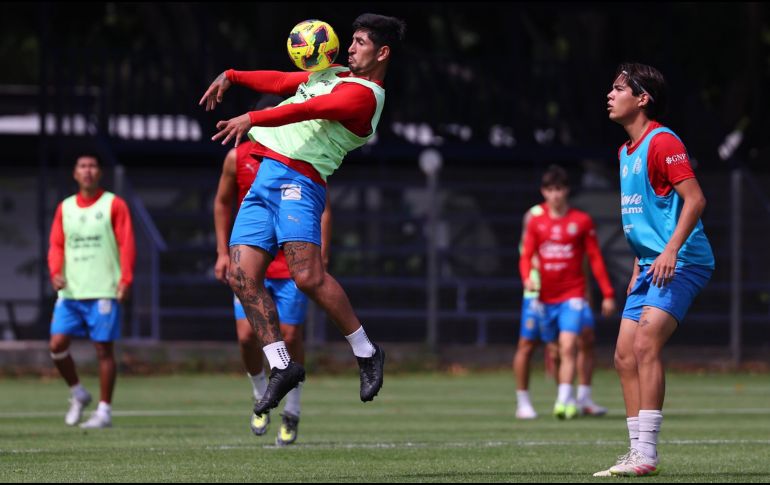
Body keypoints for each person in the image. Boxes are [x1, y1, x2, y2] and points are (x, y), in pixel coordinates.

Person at [199, 14, 407, 415]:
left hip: (300, 181)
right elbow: (280, 83)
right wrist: (232, 75)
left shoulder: (365, 96)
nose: (350, 47)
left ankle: (366, 352)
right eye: (351, 40)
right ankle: (281, 365)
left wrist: (252, 117)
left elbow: (307, 111)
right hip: (265, 179)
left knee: (307, 276)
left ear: (382, 52)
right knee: (240, 275)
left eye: (360, 42)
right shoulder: (336, 73)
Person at [595, 63, 714, 477]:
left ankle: (647, 453)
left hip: (684, 260)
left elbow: (695, 200)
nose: (610, 95)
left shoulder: (662, 142)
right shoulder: (626, 151)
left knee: (646, 343)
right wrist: (638, 263)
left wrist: (669, 251)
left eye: (619, 88)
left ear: (642, 98)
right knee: (624, 355)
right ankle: (636, 452)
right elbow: (650, 214)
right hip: (649, 264)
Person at [214, 104, 332, 445]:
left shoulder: (301, 153)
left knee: (291, 335)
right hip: (252, 261)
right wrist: (223, 252)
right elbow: (222, 202)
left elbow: (322, 208)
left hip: (289, 263)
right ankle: (260, 395)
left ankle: (292, 411)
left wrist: (320, 255)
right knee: (247, 337)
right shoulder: (238, 157)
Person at [519, 165, 616, 421]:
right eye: (550, 190)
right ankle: (567, 395)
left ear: (566, 190)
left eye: (559, 189)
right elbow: (526, 255)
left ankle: (565, 400)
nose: (555, 195)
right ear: (544, 192)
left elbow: (594, 257)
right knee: (554, 349)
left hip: (572, 295)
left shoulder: (581, 221)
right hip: (544, 298)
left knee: (571, 343)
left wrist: (607, 293)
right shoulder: (536, 222)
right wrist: (527, 278)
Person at [47, 154, 135, 428]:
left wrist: (125, 280)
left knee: (103, 350)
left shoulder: (114, 204)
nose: (87, 171)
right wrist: (55, 272)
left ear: (99, 173)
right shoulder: (66, 207)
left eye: (92, 166)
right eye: (82, 166)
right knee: (57, 345)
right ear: (75, 173)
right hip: (71, 292)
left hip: (103, 290)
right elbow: (57, 245)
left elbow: (126, 243)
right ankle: (78, 392)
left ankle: (104, 411)